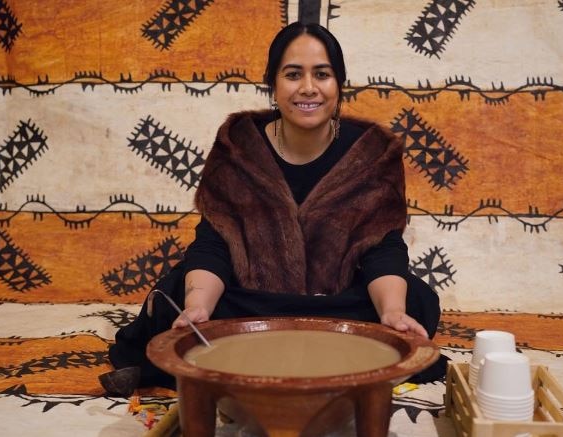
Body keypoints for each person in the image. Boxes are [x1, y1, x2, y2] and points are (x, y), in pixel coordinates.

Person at [104, 22, 446, 392]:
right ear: (273, 83)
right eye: (293, 74)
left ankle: (239, 357)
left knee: (414, 303)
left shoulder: (372, 153)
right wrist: (199, 306)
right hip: (251, 302)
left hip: (336, 304)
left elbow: (383, 248)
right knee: (176, 300)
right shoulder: (238, 147)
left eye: (322, 74)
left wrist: (392, 313)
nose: (308, 88)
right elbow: (214, 243)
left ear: (340, 83)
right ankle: (335, 358)